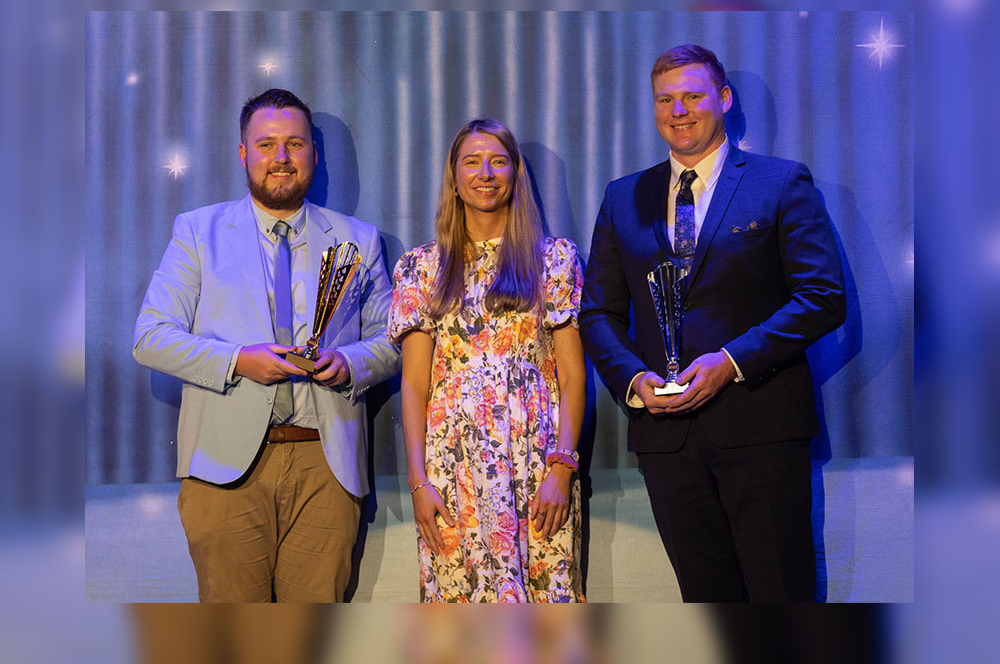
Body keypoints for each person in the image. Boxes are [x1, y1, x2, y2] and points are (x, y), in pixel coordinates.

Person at [579, 44, 846, 602]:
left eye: (693, 95)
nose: (679, 110)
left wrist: (730, 363)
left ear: (723, 99)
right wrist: (633, 380)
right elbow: (598, 313)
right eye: (665, 100)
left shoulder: (780, 182)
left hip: (763, 429)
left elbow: (823, 296)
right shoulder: (623, 197)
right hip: (666, 435)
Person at [133, 88, 400, 602]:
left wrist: (349, 363)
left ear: (314, 156)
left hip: (326, 466)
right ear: (243, 154)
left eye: (295, 144)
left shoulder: (359, 239)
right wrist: (238, 361)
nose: (281, 158)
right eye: (267, 145)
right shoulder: (198, 231)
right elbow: (150, 337)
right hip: (223, 467)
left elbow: (393, 340)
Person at [388, 118, 586, 602]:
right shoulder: (422, 266)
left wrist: (562, 468)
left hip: (535, 463)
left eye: (499, 161)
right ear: (453, 178)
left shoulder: (553, 258)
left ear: (516, 175)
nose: (486, 173)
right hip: (453, 469)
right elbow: (413, 383)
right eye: (471, 162)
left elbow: (573, 374)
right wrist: (418, 482)